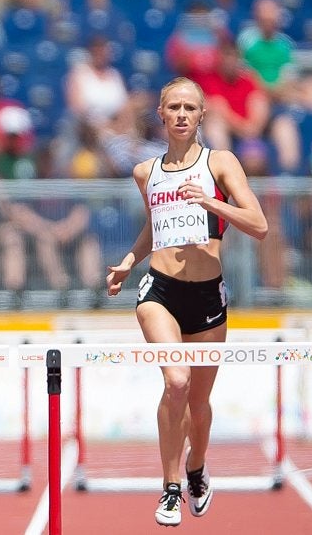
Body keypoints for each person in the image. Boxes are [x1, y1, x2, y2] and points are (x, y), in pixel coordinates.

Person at [105, 77, 268, 527]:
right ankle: (171, 485)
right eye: (173, 106)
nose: (180, 114)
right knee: (175, 381)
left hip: (207, 295)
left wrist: (213, 204)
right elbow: (155, 227)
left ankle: (197, 467)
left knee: (198, 402)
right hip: (159, 291)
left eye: (189, 108)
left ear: (201, 116)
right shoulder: (146, 172)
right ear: (161, 113)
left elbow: (258, 224)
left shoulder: (221, 163)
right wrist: (128, 260)